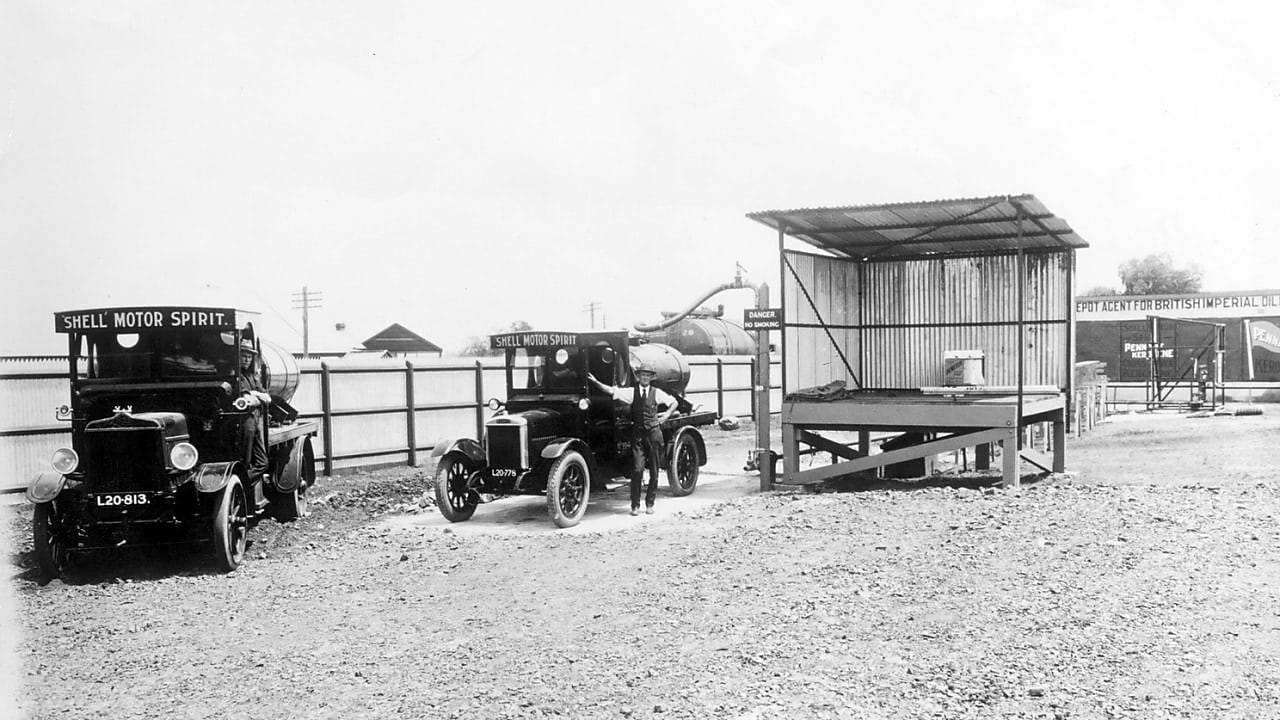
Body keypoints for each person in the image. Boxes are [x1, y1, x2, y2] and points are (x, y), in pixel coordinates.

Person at [587, 364, 678, 516]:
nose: (645, 378)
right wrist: (596, 382)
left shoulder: (657, 393)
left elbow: (674, 402)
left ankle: (649, 504)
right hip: (638, 436)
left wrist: (667, 415)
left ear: (651, 378)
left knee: (655, 472)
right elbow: (612, 391)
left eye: (648, 375)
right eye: (642, 375)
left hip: (654, 435)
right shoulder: (632, 392)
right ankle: (635, 505)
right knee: (637, 469)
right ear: (638, 377)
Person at [238, 338, 270, 481]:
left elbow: (267, 398)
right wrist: (257, 397)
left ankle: (244, 482)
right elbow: (246, 399)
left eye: (249, 357)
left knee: (263, 463)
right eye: (244, 356)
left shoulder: (252, 376)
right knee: (245, 460)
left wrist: (254, 395)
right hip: (246, 423)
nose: (246, 360)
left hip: (256, 422)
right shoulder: (237, 376)